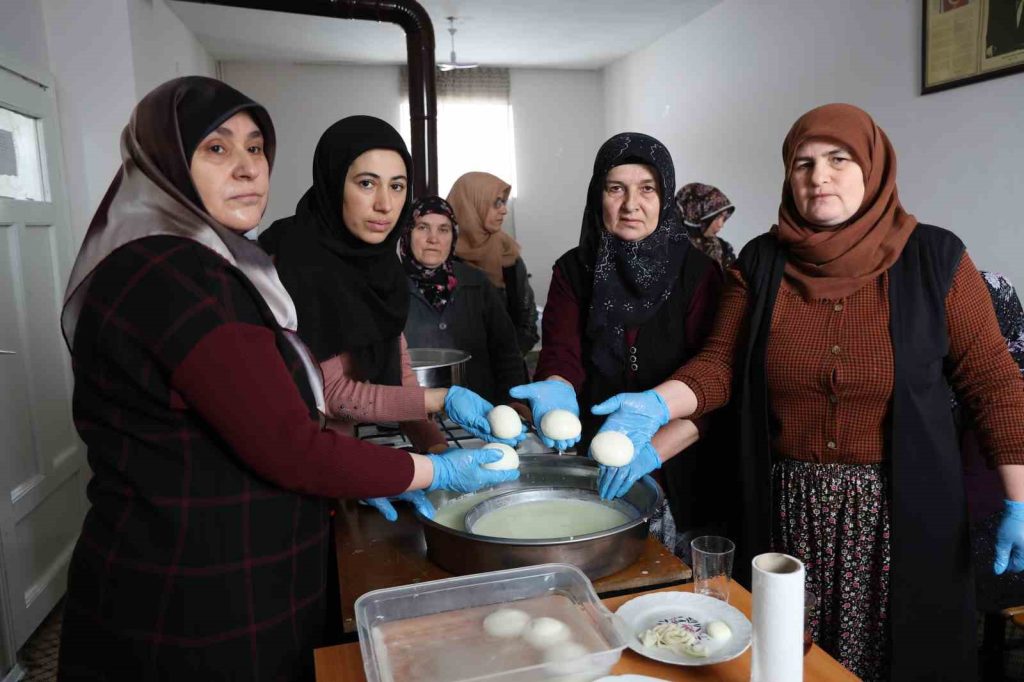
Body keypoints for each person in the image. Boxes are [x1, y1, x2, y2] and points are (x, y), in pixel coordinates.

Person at [56, 77, 517, 681]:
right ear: (164, 161)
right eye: (217, 150)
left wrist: (433, 448)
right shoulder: (171, 275)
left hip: (254, 554)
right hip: (193, 590)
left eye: (256, 149)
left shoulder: (225, 263)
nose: (247, 170)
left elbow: (321, 393)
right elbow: (294, 434)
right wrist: (430, 465)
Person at [587, 104, 1024, 681]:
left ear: (873, 168)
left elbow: (993, 383)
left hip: (901, 512)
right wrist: (659, 402)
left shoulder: (935, 259)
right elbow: (722, 363)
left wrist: (1019, 499)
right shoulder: (762, 262)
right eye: (803, 163)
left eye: (839, 160)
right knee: (792, 659)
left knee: (901, 658)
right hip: (790, 508)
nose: (819, 177)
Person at [259, 117, 524, 521]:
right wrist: (444, 400)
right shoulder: (294, 261)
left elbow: (397, 378)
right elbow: (334, 395)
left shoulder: (377, 269)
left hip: (340, 467)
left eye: (397, 186)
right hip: (288, 479)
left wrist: (438, 450)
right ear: (334, 183)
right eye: (367, 183)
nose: (385, 204)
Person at [510, 132, 722, 554]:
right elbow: (562, 355)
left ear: (665, 196)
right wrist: (557, 389)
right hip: (597, 459)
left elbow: (712, 385)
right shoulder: (574, 270)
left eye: (647, 189)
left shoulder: (698, 275)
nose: (631, 205)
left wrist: (648, 453)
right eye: (615, 189)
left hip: (682, 460)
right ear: (597, 195)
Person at [399, 196, 529, 407]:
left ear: (453, 236)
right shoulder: (387, 287)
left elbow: (506, 352)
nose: (433, 238)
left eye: (443, 229)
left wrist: (513, 403)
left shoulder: (476, 282)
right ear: (406, 233)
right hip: (409, 414)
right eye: (423, 227)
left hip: (479, 411)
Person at [446, 172, 539, 355]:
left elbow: (527, 322)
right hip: (455, 368)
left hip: (505, 369)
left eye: (503, 203)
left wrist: (507, 361)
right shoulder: (441, 257)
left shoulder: (507, 253)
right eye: (496, 203)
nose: (504, 210)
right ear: (471, 205)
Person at [674, 182, 736, 270]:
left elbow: (732, 281)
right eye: (717, 217)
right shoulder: (666, 247)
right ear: (697, 212)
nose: (721, 224)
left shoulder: (724, 249)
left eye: (724, 218)